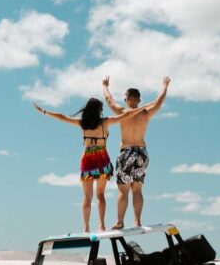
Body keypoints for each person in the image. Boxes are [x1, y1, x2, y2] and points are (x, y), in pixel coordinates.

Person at [34, 98, 146, 232]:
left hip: (87, 159)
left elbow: (62, 117)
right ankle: (102, 225)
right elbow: (126, 115)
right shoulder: (105, 122)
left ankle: (86, 227)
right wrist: (143, 108)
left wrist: (45, 111)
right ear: (99, 110)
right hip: (102, 159)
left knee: (87, 197)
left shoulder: (83, 123)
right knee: (100, 195)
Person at [102, 75, 170, 229]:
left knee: (123, 190)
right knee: (137, 189)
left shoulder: (122, 112)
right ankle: (137, 221)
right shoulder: (145, 113)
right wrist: (165, 86)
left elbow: (109, 100)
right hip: (141, 152)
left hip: (126, 151)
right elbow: (159, 101)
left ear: (126, 99)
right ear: (139, 100)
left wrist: (105, 85)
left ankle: (120, 221)